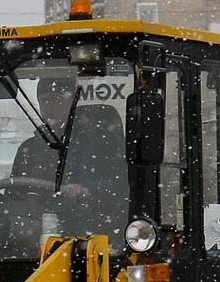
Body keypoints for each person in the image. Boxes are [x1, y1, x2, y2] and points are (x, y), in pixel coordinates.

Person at [7, 73, 132, 237]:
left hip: (91, 233)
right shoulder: (29, 149)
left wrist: (88, 191)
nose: (51, 106)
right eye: (46, 100)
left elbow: (121, 187)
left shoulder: (101, 143)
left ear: (72, 101)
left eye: (57, 99)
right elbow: (15, 193)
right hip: (37, 232)